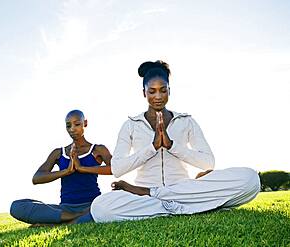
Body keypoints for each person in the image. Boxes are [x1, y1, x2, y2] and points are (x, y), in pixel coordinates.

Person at [90, 60, 260, 223]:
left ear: (169, 91)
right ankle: (192, 207)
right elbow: (117, 168)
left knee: (251, 178)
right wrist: (152, 147)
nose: (158, 96)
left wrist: (172, 145)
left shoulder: (186, 121)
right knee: (100, 207)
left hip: (182, 189)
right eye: (152, 91)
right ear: (144, 93)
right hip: (143, 194)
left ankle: (158, 197)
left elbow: (208, 162)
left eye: (163, 90)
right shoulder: (130, 125)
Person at [10, 110, 112, 225]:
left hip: (92, 206)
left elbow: (114, 168)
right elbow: (37, 178)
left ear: (85, 123)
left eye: (77, 124)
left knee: (107, 210)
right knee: (16, 206)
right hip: (65, 209)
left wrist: (82, 168)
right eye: (68, 126)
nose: (72, 129)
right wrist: (66, 171)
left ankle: (58, 222)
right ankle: (74, 218)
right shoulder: (59, 153)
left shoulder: (98, 149)